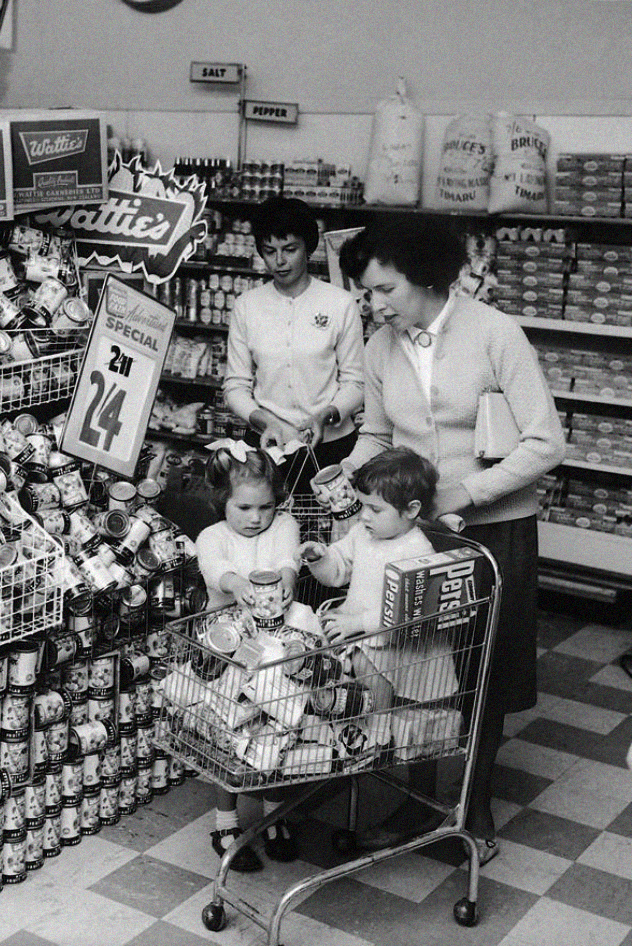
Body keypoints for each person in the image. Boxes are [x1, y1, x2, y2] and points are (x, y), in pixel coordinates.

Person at [337, 216, 566, 864]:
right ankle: (419, 798)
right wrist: (350, 470)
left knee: (482, 668)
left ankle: (475, 800)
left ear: (426, 276)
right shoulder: (382, 345)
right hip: (418, 534)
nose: (374, 304)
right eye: (368, 291)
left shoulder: (496, 333)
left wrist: (471, 490)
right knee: (418, 658)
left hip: (493, 531)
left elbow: (547, 441)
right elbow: (378, 435)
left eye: (384, 289)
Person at [300, 448, 457, 745]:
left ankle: (377, 734)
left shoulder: (417, 551)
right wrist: (320, 557)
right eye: (363, 506)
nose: (364, 516)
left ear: (411, 510)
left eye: (375, 509)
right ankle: (346, 732)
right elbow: (338, 571)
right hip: (359, 632)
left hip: (394, 643)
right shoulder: (363, 533)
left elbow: (409, 611)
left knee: (371, 674)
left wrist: (358, 622)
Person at [194, 443, 300, 871]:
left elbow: (288, 558)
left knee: (278, 728)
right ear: (223, 501)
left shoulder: (284, 526)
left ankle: (275, 817)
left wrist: (289, 575)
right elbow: (212, 568)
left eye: (266, 506)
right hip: (228, 649)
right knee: (228, 733)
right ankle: (225, 822)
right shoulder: (212, 536)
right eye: (244, 508)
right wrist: (236, 583)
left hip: (276, 648)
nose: (257, 518)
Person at [224, 195, 364, 488]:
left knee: (334, 528)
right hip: (268, 444)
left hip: (332, 447)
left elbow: (356, 382)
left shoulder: (340, 303)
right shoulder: (247, 306)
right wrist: (264, 420)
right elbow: (235, 386)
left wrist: (325, 416)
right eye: (269, 251)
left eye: (290, 249)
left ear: (308, 249)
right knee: (266, 527)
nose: (280, 261)